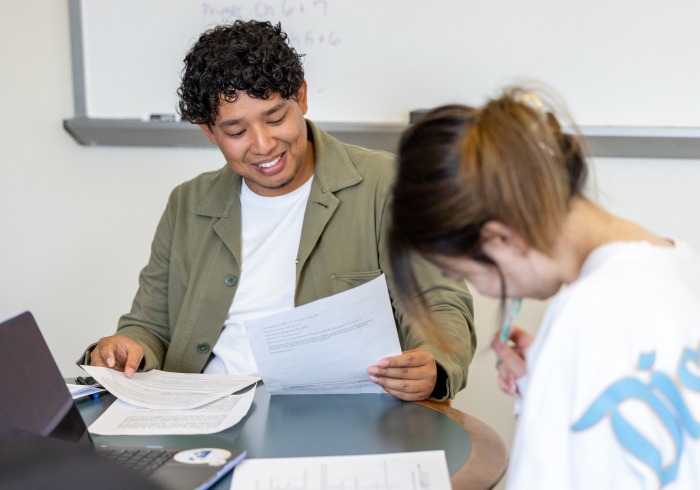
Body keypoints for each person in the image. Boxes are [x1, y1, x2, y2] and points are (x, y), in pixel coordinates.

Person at [77, 20, 475, 402]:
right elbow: (149, 326)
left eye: (276, 117)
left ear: (301, 96)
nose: (263, 144)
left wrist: (435, 364)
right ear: (208, 131)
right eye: (236, 132)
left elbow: (440, 302)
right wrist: (127, 347)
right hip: (204, 414)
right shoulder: (188, 203)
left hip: (337, 415)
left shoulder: (385, 184)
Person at [387, 87, 700, 487]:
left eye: (462, 272)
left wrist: (561, 371)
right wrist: (549, 384)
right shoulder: (678, 263)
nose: (484, 291)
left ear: (501, 239)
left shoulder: (589, 312)